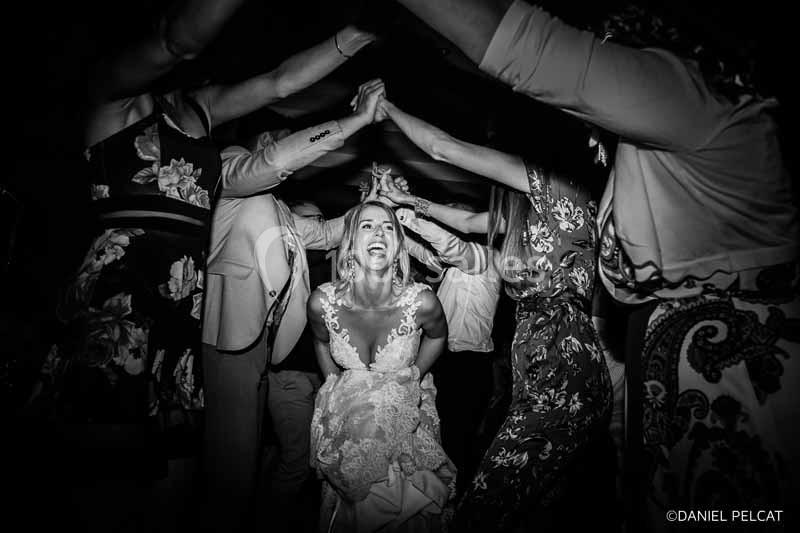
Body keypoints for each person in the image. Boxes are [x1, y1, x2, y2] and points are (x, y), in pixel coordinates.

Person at [390, 0, 800, 529]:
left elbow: (521, 51)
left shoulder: (685, 94)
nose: (585, 118)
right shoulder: (632, 174)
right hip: (664, 379)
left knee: (484, 510)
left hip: (734, 377)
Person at [33, 0, 375, 465]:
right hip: (124, 286)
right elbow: (179, 41)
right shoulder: (110, 92)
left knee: (171, 458)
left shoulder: (199, 112)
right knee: (102, 450)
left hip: (181, 294)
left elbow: (281, 81)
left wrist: (363, 31)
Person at [376, 97, 614, 531]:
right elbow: (467, 222)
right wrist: (406, 203)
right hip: (539, 369)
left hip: (561, 368)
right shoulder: (533, 213)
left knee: (480, 509)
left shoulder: (559, 187)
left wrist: (387, 107)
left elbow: (443, 148)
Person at [202, 79, 386, 531]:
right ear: (262, 143)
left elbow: (324, 235)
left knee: (246, 458)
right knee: (231, 464)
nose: (286, 151)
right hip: (229, 338)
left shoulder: (281, 210)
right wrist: (354, 122)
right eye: (280, 142)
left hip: (265, 347)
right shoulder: (230, 173)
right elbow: (275, 161)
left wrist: (373, 204)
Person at [307, 200, 455, 532]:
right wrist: (334, 385)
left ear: (399, 245)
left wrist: (413, 375)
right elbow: (319, 340)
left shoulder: (422, 302)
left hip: (404, 430)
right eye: (367, 225)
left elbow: (438, 336)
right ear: (349, 243)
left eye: (389, 227)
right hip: (348, 431)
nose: (379, 232)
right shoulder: (322, 302)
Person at [395, 203, 502, 496]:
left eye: (450, 217)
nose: (444, 222)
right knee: (430, 437)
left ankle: (460, 511)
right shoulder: (447, 261)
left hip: (470, 363)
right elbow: (422, 252)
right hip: (440, 359)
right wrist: (390, 217)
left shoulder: (486, 257)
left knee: (458, 444)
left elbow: (450, 247)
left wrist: (413, 215)